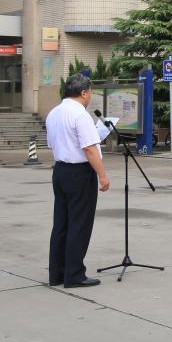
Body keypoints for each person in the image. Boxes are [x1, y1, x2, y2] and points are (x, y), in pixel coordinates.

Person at [46, 74, 110, 288]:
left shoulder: (54, 113)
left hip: (60, 171)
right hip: (80, 173)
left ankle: (57, 274)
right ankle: (74, 274)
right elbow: (90, 149)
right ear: (83, 93)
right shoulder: (80, 115)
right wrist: (102, 175)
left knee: (61, 224)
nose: (90, 96)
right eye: (90, 92)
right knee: (79, 224)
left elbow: (52, 143)